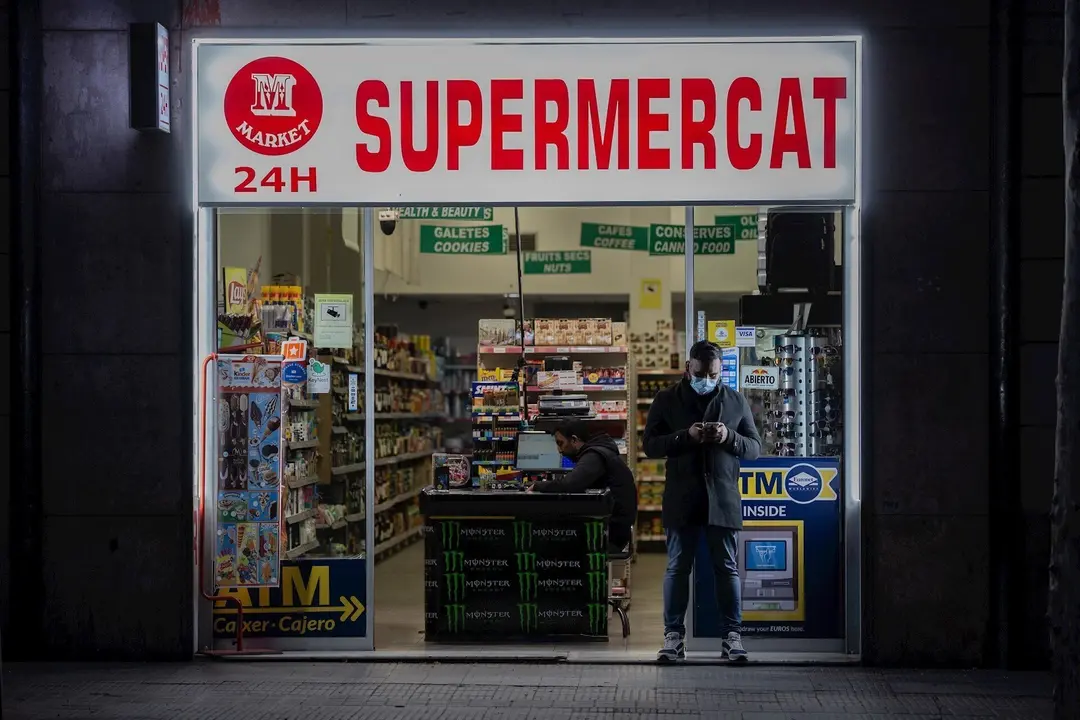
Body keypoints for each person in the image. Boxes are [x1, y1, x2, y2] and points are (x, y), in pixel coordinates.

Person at [643, 340, 762, 663]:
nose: (707, 379)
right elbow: (650, 445)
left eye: (713, 374)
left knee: (726, 569)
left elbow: (754, 448)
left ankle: (732, 637)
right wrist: (686, 436)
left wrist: (729, 437)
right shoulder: (667, 399)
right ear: (688, 368)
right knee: (677, 568)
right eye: (701, 373)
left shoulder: (735, 400)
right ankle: (673, 637)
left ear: (720, 370)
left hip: (722, 499)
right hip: (683, 498)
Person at [527, 419, 637, 552]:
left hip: (610, 533)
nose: (559, 450)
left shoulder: (594, 455)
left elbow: (570, 484)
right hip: (613, 527)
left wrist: (538, 486)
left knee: (545, 542)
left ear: (574, 440)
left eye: (560, 443)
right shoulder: (600, 450)